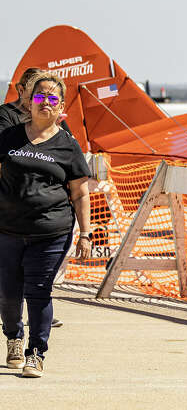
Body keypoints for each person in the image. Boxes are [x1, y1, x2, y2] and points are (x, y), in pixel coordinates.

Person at [1, 72, 92, 377]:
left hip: (51, 231)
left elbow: (80, 192)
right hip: (8, 230)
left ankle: (36, 353)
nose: (46, 103)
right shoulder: (9, 136)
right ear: (29, 100)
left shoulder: (67, 145)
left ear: (61, 105)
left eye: (53, 98)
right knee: (8, 293)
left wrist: (86, 234)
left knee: (38, 292)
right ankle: (13, 337)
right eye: (40, 96)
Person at [0, 68, 44, 133]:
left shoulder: (49, 111)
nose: (42, 101)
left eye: (44, 96)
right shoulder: (5, 113)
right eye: (35, 95)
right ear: (21, 90)